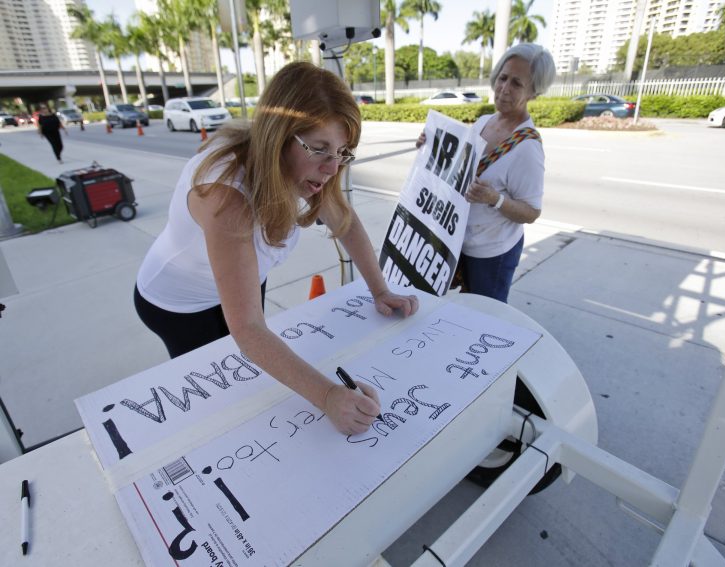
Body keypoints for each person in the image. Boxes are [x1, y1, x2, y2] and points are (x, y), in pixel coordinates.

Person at [134, 62, 419, 435]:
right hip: (178, 304)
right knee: (220, 409)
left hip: (239, 282)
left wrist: (381, 290)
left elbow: (346, 222)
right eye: (319, 149)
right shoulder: (227, 195)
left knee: (255, 377)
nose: (333, 168)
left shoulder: (315, 169)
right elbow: (249, 329)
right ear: (279, 137)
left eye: (342, 152)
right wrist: (329, 397)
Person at [416, 43, 556, 302]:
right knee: (460, 311)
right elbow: (458, 166)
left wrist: (495, 198)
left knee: (485, 318)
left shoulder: (527, 147)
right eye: (503, 78)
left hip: (492, 254)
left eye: (517, 83)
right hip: (459, 241)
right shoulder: (484, 123)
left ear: (534, 92)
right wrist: (432, 146)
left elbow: (532, 212)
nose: (504, 88)